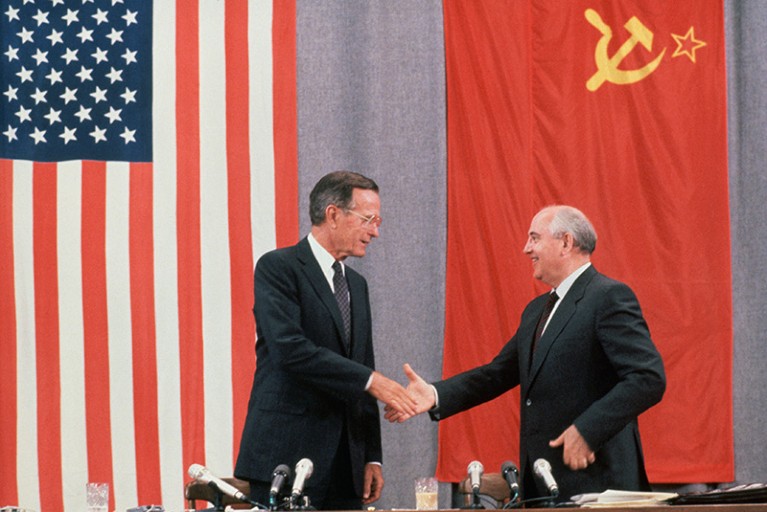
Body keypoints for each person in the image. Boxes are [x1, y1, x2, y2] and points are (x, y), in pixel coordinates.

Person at [386, 205, 666, 503]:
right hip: (543, 485)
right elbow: (497, 374)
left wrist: (587, 430)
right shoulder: (536, 311)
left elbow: (647, 378)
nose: (526, 248)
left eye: (534, 238)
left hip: (599, 482)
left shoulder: (608, 296)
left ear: (566, 243)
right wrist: (435, 394)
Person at [235, 171, 418, 510]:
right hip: (286, 456)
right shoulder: (279, 268)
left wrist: (372, 456)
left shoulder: (357, 286)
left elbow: (363, 366)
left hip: (346, 466)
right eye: (368, 220)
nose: (375, 232)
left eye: (378, 221)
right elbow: (290, 350)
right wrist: (371, 380)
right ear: (333, 214)